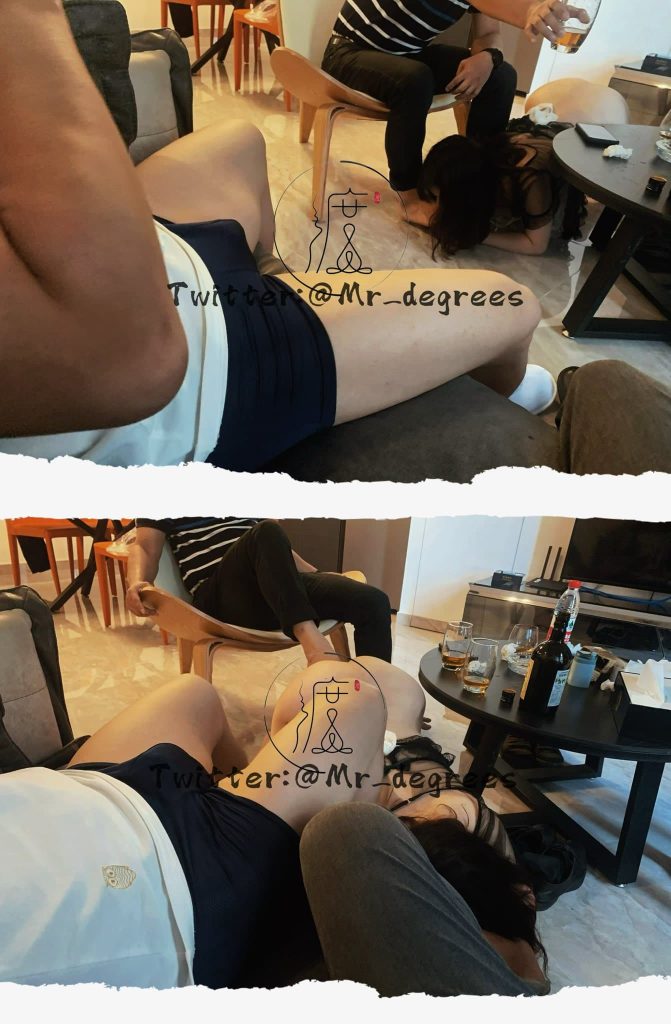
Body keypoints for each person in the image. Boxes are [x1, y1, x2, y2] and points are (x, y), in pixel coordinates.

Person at [0, 0, 557, 468]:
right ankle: (300, 307)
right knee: (513, 303)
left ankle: (268, 278)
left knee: (239, 138)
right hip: (191, 373)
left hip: (156, 251)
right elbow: (138, 362)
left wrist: (495, 48)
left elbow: (492, 20)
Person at [1, 660, 547, 993]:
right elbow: (350, 833)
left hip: (80, 813)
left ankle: (252, 786)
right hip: (160, 867)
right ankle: (258, 791)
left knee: (200, 691)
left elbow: (350, 834)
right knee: (349, 687)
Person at [322, 1, 589, 226]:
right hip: (347, 53)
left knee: (501, 75)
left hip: (409, 55)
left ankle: (481, 185)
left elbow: (488, 33)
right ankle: (409, 194)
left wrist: (488, 57)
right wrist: (529, 8)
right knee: (415, 79)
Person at [126, 517, 393, 662]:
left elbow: (276, 551)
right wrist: (137, 582)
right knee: (265, 530)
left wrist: (318, 575)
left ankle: (378, 700)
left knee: (373, 601)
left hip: (276, 588)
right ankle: (309, 640)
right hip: (222, 597)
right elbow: (145, 547)